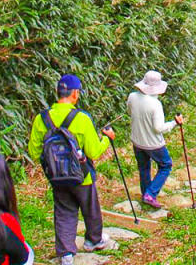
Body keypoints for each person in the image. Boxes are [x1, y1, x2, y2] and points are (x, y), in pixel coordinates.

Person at [28, 74, 117, 265]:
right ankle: (93, 240)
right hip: (81, 175)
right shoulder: (81, 118)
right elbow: (93, 151)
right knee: (90, 207)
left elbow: (34, 152)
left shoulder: (41, 119)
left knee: (63, 210)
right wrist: (107, 138)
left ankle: (66, 253)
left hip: (56, 176)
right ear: (75, 94)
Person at [126, 70, 184, 209]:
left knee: (144, 167)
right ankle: (150, 194)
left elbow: (129, 112)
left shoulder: (132, 96)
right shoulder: (155, 104)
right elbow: (158, 128)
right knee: (166, 165)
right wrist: (174, 123)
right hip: (153, 144)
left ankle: (145, 193)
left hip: (137, 140)